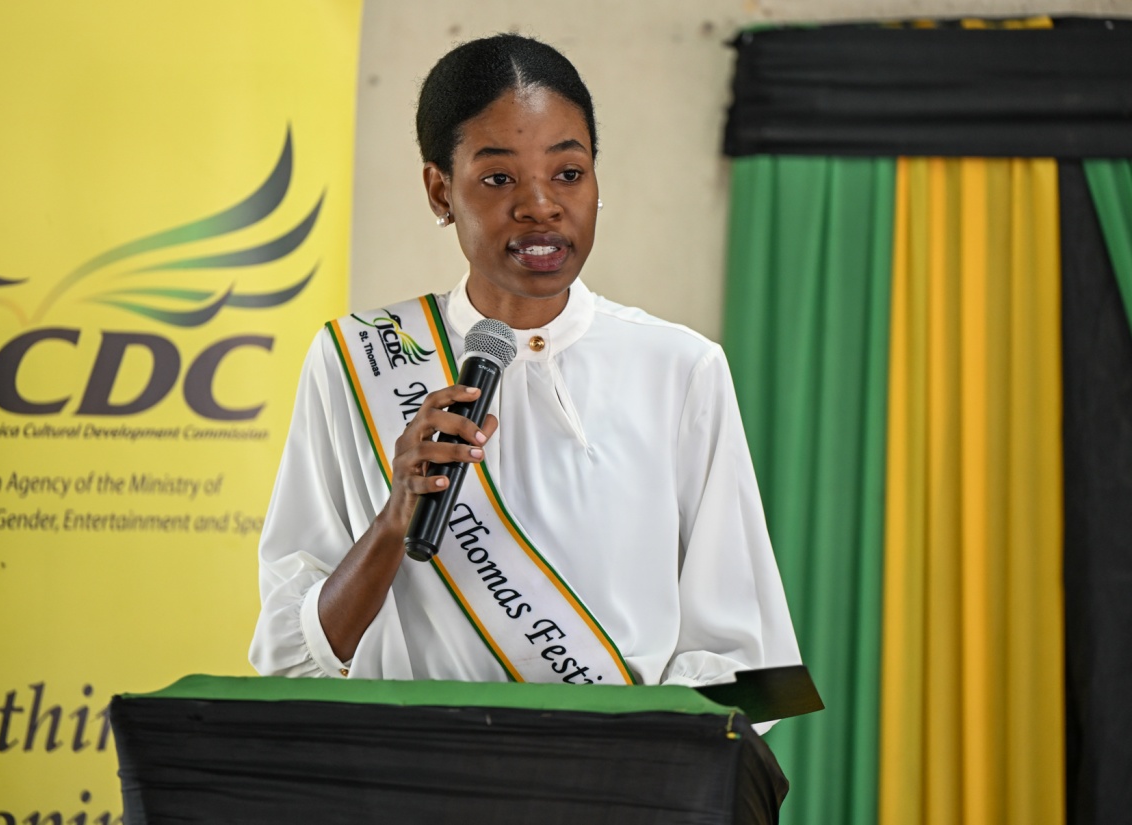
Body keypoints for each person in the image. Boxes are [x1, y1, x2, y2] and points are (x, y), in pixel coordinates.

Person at [249, 34, 801, 695]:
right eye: (498, 178)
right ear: (439, 190)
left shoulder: (681, 368)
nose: (540, 205)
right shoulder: (354, 358)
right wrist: (397, 516)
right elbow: (289, 652)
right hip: (411, 780)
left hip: (613, 787)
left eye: (568, 173)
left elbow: (742, 659)